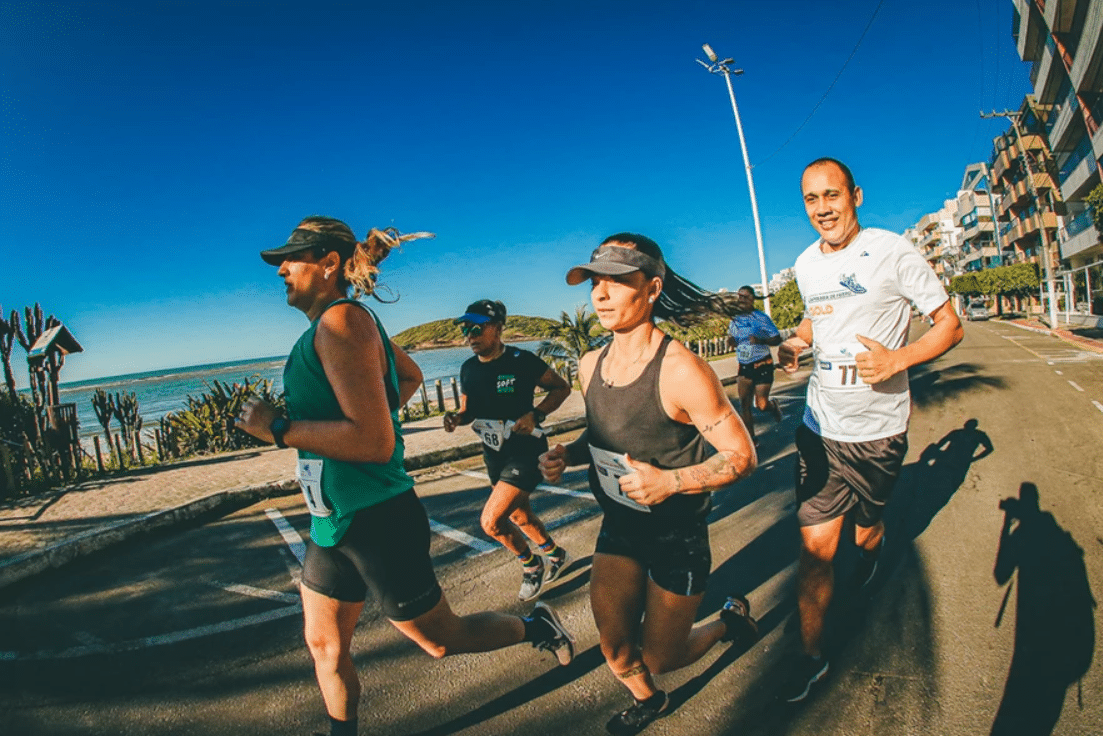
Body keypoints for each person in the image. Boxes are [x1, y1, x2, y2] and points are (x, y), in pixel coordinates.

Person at [235, 217, 574, 736]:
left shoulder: (341, 322)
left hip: (378, 520)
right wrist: (368, 412)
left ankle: (535, 626)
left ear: (329, 264)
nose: (280, 268)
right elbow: (410, 378)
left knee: (441, 639)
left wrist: (278, 428)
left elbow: (374, 443)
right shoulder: (339, 323)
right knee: (325, 645)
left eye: (292, 257)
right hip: (333, 520)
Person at [540, 233, 760, 735]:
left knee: (661, 656)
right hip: (618, 527)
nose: (600, 293)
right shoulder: (589, 364)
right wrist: (566, 456)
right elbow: (601, 436)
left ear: (653, 288)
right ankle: (649, 701)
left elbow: (742, 457)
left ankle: (729, 620)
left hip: (676, 535)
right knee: (615, 645)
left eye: (617, 281)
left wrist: (671, 482)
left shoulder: (682, 370)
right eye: (595, 281)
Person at [776, 158, 963, 703]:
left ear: (855, 195)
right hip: (819, 427)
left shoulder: (892, 252)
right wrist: (795, 343)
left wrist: (899, 360)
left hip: (878, 434)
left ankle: (874, 539)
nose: (823, 209)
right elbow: (816, 317)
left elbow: (949, 324)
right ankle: (810, 658)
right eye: (812, 199)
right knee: (816, 550)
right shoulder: (806, 263)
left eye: (832, 195)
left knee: (867, 526)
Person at [443, 299, 572, 601]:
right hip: (494, 453)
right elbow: (468, 411)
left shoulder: (521, 360)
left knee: (491, 522)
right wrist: (456, 418)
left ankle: (531, 565)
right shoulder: (468, 369)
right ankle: (556, 554)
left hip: (526, 452)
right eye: (466, 330)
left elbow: (561, 388)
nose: (470, 336)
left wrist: (535, 415)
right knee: (519, 517)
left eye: (477, 328)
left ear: (498, 329)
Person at [726, 285, 784, 445]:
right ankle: (751, 440)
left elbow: (777, 339)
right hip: (744, 366)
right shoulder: (735, 320)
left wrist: (761, 341)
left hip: (762, 364)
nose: (742, 300)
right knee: (744, 404)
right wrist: (731, 342)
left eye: (745, 297)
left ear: (752, 299)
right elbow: (732, 338)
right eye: (740, 297)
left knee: (761, 405)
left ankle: (772, 406)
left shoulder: (761, 318)